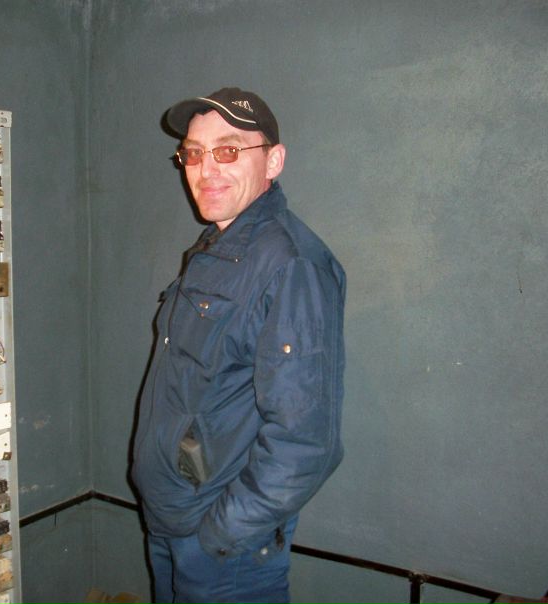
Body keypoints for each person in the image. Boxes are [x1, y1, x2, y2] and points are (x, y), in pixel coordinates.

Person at [131, 87, 346, 604]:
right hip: (171, 518)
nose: (206, 169)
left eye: (228, 151)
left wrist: (220, 535)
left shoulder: (290, 263)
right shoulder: (217, 248)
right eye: (194, 153)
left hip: (221, 549)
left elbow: (305, 442)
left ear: (273, 161)